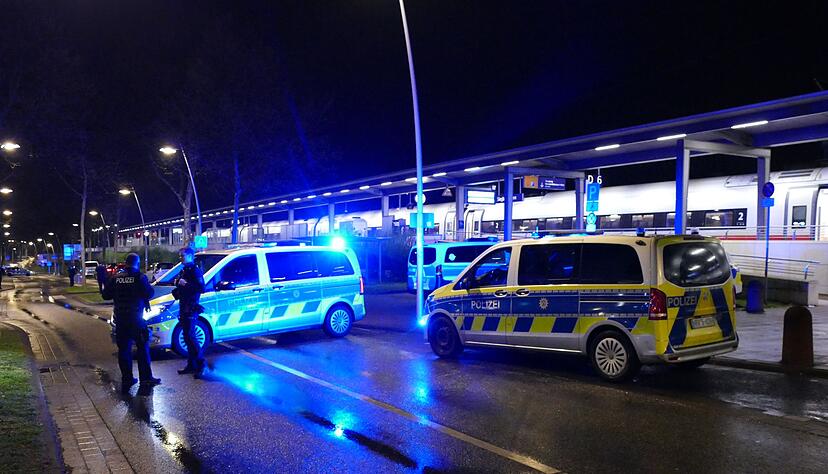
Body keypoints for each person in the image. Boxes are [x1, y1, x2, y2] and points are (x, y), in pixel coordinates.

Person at [101, 253, 160, 391]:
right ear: (137, 263)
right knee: (142, 349)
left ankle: (127, 379)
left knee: (124, 350)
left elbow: (105, 295)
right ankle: (146, 379)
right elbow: (149, 293)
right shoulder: (139, 277)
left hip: (121, 319)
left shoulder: (116, 278)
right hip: (136, 320)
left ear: (125, 263)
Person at [172, 246, 206, 378]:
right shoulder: (185, 270)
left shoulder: (195, 271)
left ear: (190, 256)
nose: (180, 258)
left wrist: (184, 284)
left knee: (191, 337)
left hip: (191, 307)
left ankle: (201, 365)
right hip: (184, 306)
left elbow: (200, 288)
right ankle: (191, 365)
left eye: (182, 255)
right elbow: (183, 286)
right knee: (187, 337)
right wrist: (178, 287)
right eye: (180, 255)